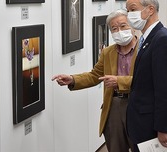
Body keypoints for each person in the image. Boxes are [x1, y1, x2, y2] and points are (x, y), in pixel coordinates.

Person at [52, 9, 138, 152]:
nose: (119, 31)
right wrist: (72, 79)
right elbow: (94, 76)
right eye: (114, 29)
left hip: (138, 105)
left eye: (123, 26)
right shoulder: (108, 52)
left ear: (133, 26)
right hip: (114, 106)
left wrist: (120, 82)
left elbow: (148, 80)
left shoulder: (145, 49)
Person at [125, 0, 167, 152]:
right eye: (128, 11)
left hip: (154, 127)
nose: (129, 14)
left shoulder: (162, 39)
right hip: (144, 123)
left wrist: (163, 128)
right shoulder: (148, 38)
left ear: (150, 10)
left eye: (133, 9)